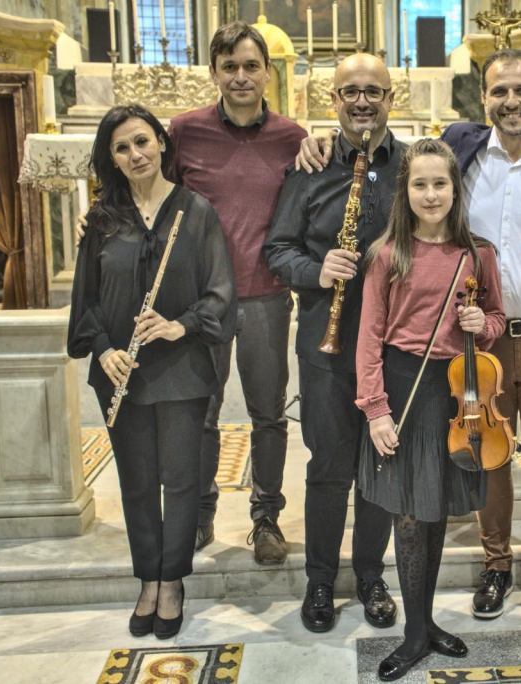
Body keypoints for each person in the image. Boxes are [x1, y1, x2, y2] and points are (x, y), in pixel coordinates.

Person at [296, 48, 521, 623]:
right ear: (483, 98)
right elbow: (393, 151)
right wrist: (316, 139)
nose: (511, 101)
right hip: (477, 345)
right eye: (499, 91)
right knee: (487, 454)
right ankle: (496, 566)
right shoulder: (462, 147)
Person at [67, 104, 237, 639]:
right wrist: (102, 350)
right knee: (136, 482)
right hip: (121, 372)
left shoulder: (196, 211)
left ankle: (173, 579)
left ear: (161, 142)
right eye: (121, 148)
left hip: (181, 368)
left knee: (182, 481)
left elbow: (220, 292)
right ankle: (148, 579)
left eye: (142, 141)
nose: (135, 154)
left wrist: (179, 325)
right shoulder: (101, 220)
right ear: (112, 159)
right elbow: (86, 300)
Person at [355, 138, 505, 681]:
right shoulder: (387, 254)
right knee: (411, 514)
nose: (431, 193)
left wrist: (482, 326)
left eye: (440, 183)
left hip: (457, 391)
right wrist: (375, 409)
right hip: (403, 387)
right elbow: (369, 338)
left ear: (455, 189)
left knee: (436, 507)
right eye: (420, 184)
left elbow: (496, 318)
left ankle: (425, 621)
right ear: (406, 190)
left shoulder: (478, 254)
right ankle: (415, 633)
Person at [265, 53, 402, 634]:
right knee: (327, 466)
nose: (362, 101)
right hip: (327, 345)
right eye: (351, 92)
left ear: (391, 98)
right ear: (334, 100)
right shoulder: (309, 168)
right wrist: (317, 271)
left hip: (393, 347)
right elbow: (277, 250)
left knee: (381, 463)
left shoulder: (413, 167)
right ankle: (320, 580)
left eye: (373, 91)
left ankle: (370, 576)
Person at [166, 22, 306, 563]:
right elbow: (156, 200)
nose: (241, 76)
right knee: (201, 412)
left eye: (251, 66)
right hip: (201, 301)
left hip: (267, 295)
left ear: (268, 72)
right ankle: (200, 513)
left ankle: (266, 518)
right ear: (214, 73)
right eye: (230, 67)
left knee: (267, 413)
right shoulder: (184, 131)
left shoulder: (292, 138)